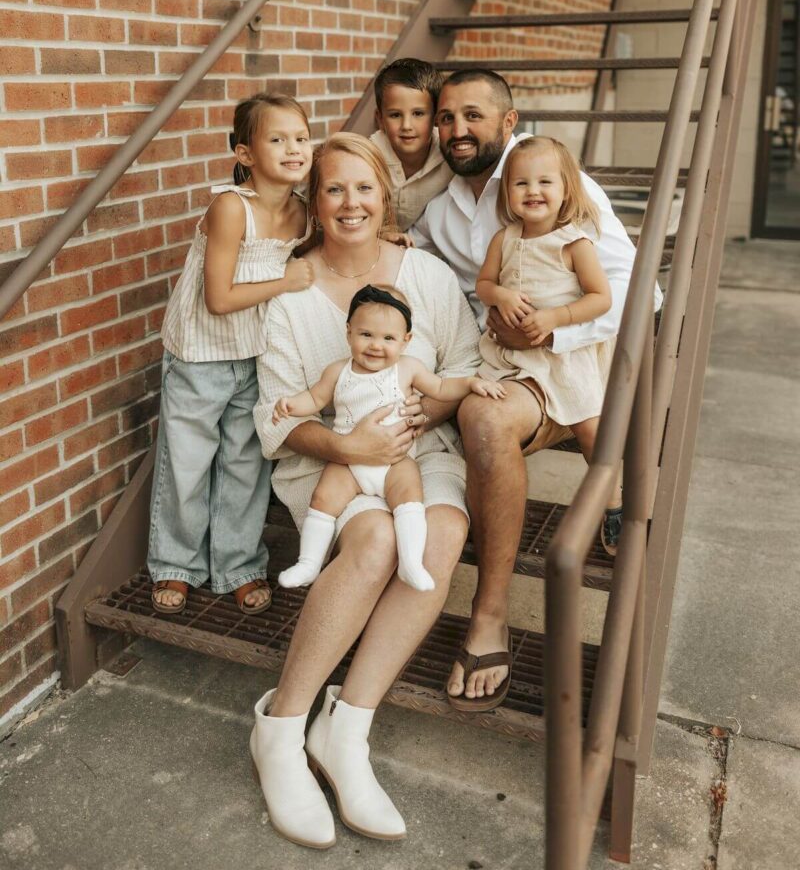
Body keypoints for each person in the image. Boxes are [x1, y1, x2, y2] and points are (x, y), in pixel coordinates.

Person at [251, 132, 480, 850]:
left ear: (386, 195)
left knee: (440, 531)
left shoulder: (431, 278)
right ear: (315, 203)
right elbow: (277, 413)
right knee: (376, 537)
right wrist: (348, 444)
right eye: (333, 189)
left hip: (419, 451)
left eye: (364, 187)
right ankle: (281, 730)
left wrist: (424, 413)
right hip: (325, 464)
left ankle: (346, 731)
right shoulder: (292, 292)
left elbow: (461, 371)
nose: (351, 202)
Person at [408, 66, 657, 710]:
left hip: (563, 353)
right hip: (496, 358)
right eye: (446, 118)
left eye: (473, 116)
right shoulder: (442, 208)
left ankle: (489, 614)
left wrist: (551, 332)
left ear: (509, 122)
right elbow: (452, 279)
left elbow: (638, 289)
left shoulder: (550, 181)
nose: (456, 129)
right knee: (465, 411)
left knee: (486, 423)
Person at [147, 94, 313, 617]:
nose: (294, 148)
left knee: (245, 466)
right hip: (202, 355)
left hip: (255, 356)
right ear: (245, 153)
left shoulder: (303, 213)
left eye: (302, 138)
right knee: (189, 464)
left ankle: (238, 566)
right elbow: (218, 300)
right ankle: (176, 564)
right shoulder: (230, 207)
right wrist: (285, 280)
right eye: (278, 138)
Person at [273, 282, 505, 592]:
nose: (375, 346)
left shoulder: (408, 369)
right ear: (349, 332)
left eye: (388, 338)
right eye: (366, 334)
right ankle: (309, 563)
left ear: (406, 341)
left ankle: (411, 563)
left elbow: (439, 388)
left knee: (409, 495)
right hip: (349, 462)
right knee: (323, 498)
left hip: (395, 460)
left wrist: (471, 383)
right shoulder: (337, 371)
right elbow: (314, 399)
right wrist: (290, 405)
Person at [476, 136, 621, 571]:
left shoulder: (575, 243)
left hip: (562, 355)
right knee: (477, 408)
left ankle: (613, 499)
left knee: (591, 428)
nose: (532, 191)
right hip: (511, 356)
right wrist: (499, 294)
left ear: (565, 189)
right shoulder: (504, 238)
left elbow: (601, 298)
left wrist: (557, 317)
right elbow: (484, 285)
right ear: (508, 194)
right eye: (521, 183)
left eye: (545, 182)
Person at [369, 57, 453, 230]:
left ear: (436, 117)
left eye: (418, 113)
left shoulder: (449, 156)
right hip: (375, 240)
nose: (406, 126)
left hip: (427, 243)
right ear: (380, 119)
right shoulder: (368, 155)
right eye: (395, 115)